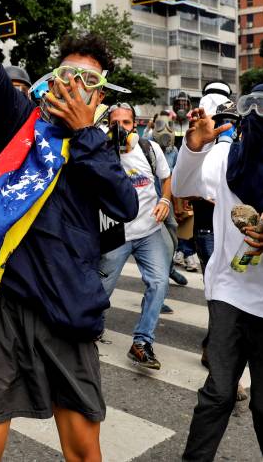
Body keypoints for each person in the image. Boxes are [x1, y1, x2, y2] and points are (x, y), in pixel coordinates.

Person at [0, 0, 138, 462]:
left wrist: (86, 136)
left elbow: (124, 205)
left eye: (89, 81)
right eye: (66, 74)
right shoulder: (16, 120)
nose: (73, 86)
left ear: (100, 95)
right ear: (50, 80)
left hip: (68, 308)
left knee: (84, 451)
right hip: (0, 306)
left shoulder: (96, 144)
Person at [173, 84, 263, 461]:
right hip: (228, 291)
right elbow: (183, 185)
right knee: (218, 393)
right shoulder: (228, 156)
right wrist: (194, 148)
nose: (261, 116)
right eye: (254, 107)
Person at [99, 103, 174, 370]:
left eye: (126, 123)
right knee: (101, 289)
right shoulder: (100, 152)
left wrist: (165, 199)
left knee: (158, 283)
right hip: (115, 234)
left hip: (149, 231)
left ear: (136, 125)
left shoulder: (149, 149)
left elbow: (166, 178)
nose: (120, 128)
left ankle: (142, 342)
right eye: (114, 123)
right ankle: (93, 327)